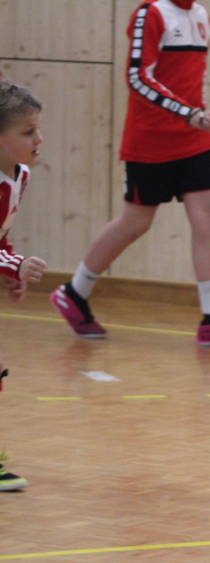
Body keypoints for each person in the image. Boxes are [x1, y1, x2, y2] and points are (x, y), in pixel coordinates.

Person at [50, 0, 210, 349]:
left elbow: (195, 77)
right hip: (150, 138)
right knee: (135, 223)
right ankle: (74, 292)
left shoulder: (202, 15)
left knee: (209, 215)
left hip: (193, 137)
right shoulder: (151, 13)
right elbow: (137, 77)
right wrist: (186, 112)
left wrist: (197, 113)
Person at [0, 79, 48, 490]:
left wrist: (9, 268)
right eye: (28, 132)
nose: (39, 140)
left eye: (38, 129)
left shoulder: (20, 175)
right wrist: (16, 266)